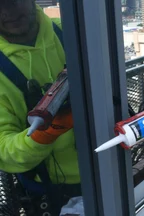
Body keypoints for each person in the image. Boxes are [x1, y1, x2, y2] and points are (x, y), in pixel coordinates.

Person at [0, 1, 79, 215]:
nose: (8, 12)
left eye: (13, 1)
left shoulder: (71, 29)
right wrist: (45, 135)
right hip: (55, 194)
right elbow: (4, 152)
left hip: (110, 165)